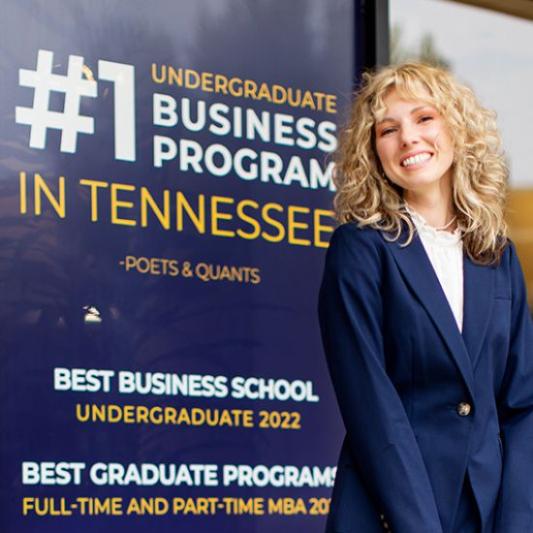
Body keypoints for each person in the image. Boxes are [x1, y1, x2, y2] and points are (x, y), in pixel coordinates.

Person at [318, 62, 533, 533]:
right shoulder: (360, 249)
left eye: (424, 118)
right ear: (374, 152)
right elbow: (371, 404)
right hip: (391, 513)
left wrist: (516, 521)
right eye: (387, 129)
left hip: (488, 512)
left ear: (457, 130)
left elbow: (522, 404)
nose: (408, 138)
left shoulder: (497, 255)